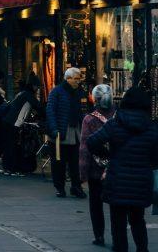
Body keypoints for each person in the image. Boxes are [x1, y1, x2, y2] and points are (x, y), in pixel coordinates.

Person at [88, 86, 158, 252]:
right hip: (141, 180)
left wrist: (108, 154)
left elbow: (92, 142)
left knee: (117, 222)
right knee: (138, 219)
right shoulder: (152, 127)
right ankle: (142, 249)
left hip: (117, 179)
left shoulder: (115, 124)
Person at [80, 84, 115, 247]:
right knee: (117, 206)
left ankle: (99, 235)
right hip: (115, 168)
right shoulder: (118, 117)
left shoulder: (89, 119)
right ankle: (118, 236)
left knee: (96, 205)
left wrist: (83, 172)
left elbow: (84, 148)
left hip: (96, 169)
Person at [46, 67, 87, 198]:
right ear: (68, 79)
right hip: (61, 131)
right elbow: (50, 111)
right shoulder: (57, 92)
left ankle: (76, 186)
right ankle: (60, 187)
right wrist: (54, 129)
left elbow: (83, 111)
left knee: (76, 162)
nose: (78, 82)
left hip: (75, 131)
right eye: (75, 79)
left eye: (79, 79)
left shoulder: (79, 92)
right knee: (59, 162)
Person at [0, 78, 43, 175]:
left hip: (7, 120)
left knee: (8, 145)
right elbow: (39, 107)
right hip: (15, 123)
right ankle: (12, 168)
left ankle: (7, 167)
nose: (38, 89)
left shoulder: (22, 93)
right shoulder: (29, 95)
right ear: (33, 86)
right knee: (13, 145)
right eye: (37, 86)